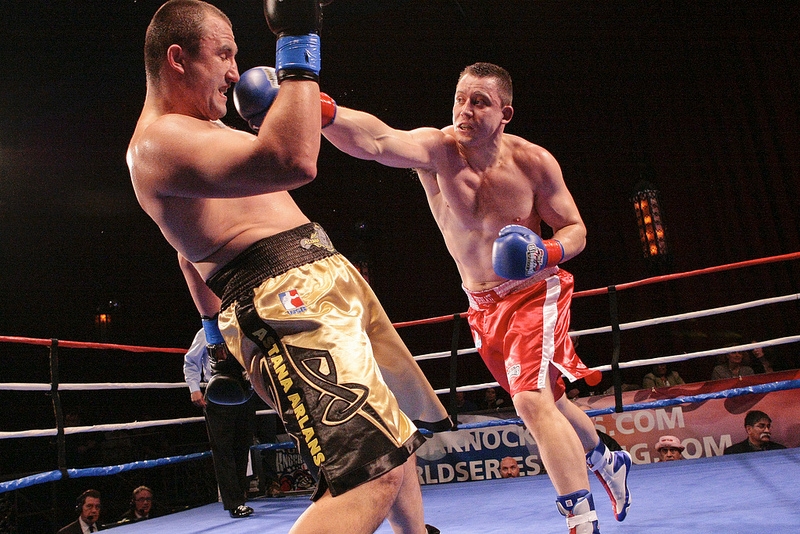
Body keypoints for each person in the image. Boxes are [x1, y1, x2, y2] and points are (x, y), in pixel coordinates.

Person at [127, 2, 449, 532]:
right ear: (177, 59)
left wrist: (215, 341)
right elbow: (293, 161)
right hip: (282, 299)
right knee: (368, 475)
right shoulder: (159, 142)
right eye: (223, 54)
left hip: (316, 279)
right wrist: (297, 40)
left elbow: (187, 255)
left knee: (395, 438)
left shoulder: (199, 132)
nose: (235, 72)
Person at [318, 61, 632, 533]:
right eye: (460, 99)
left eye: (480, 102)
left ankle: (581, 522)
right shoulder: (437, 150)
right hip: (481, 305)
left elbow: (576, 229)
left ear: (505, 113)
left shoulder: (533, 162)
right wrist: (323, 111)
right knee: (549, 401)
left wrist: (545, 251)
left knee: (530, 402)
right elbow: (377, 141)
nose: (465, 111)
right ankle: (606, 456)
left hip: (533, 292)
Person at [183, 328, 255, 518]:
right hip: (218, 396)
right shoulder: (206, 332)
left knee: (243, 446)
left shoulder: (241, 329)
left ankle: (240, 495)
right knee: (223, 450)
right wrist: (194, 388)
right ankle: (234, 503)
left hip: (245, 394)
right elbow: (191, 361)